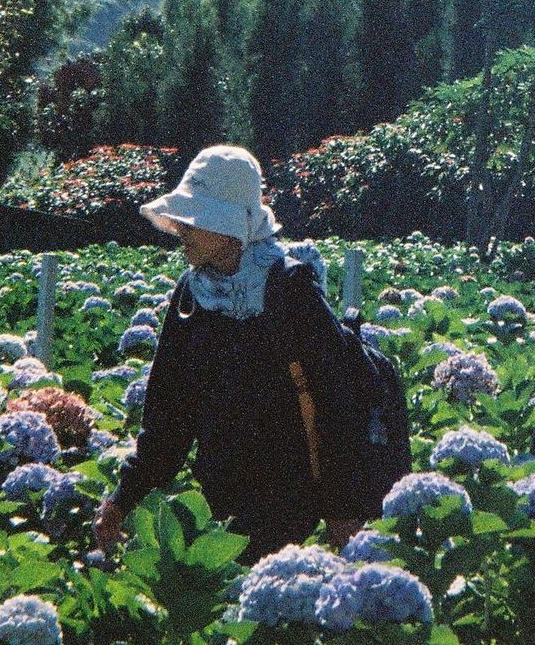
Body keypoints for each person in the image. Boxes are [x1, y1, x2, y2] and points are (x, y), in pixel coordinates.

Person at [92, 145, 366, 562]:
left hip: (288, 503)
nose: (181, 228)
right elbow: (169, 414)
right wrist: (122, 498)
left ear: (232, 227)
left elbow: (337, 406)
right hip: (219, 502)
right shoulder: (192, 294)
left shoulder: (290, 290)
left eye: (195, 218)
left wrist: (344, 511)